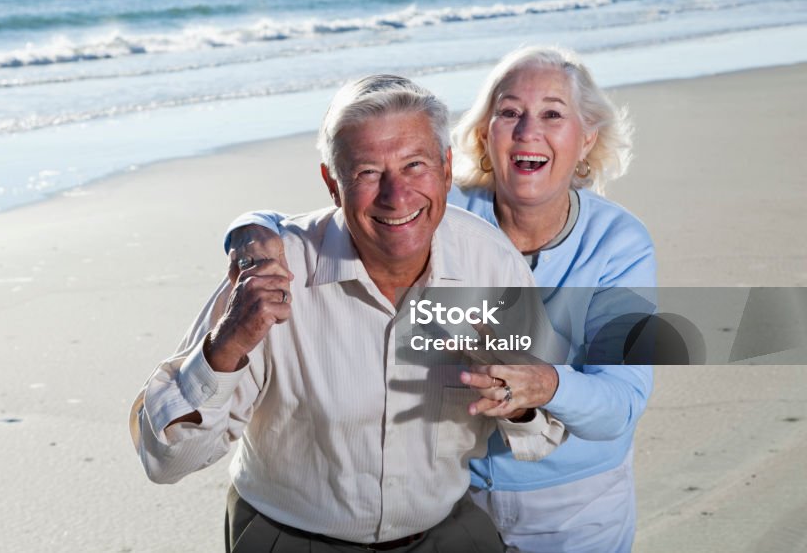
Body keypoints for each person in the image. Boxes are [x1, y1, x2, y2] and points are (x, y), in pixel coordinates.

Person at [225, 47, 655, 552]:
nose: (527, 131)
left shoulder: (618, 242)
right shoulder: (433, 212)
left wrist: (545, 384)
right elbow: (338, 208)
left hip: (573, 506)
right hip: (459, 500)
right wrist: (246, 229)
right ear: (482, 135)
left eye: (552, 114)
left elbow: (622, 404)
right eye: (509, 112)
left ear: (587, 139)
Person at [130, 75, 567, 553]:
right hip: (290, 538)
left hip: (446, 531)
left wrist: (519, 399)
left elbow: (544, 433)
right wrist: (226, 347)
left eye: (415, 165)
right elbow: (165, 461)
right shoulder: (274, 270)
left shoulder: (490, 263)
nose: (396, 196)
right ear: (332, 185)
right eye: (367, 173)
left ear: (445, 168)